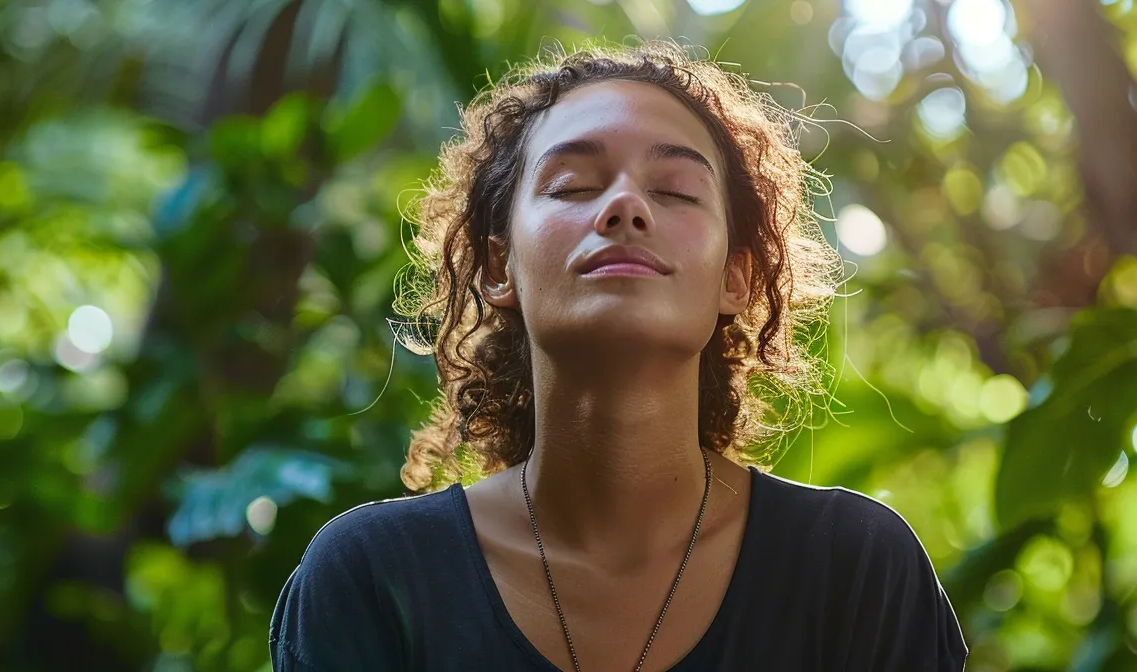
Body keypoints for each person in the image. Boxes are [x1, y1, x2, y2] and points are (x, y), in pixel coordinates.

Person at [270, 39, 967, 671]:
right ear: (498, 268)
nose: (626, 208)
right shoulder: (373, 576)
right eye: (573, 186)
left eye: (675, 191)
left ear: (736, 277)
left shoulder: (854, 567)